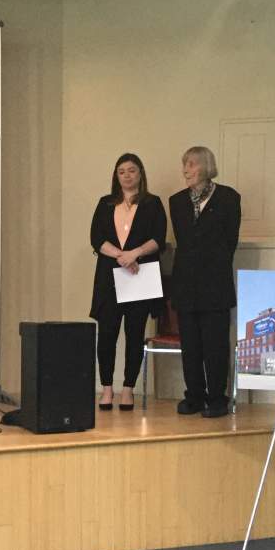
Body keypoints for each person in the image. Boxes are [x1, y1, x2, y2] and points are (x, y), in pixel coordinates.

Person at [90, 153, 167, 411]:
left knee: (135, 334)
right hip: (109, 277)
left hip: (139, 276)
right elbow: (96, 238)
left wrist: (134, 255)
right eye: (121, 171)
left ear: (140, 173)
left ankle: (128, 389)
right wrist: (122, 257)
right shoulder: (105, 203)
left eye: (131, 170)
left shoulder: (153, 203)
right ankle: (107, 388)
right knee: (107, 334)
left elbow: (158, 237)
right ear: (116, 175)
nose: (126, 175)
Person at [169, 146, 241, 418]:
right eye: (184, 165)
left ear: (206, 166)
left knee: (215, 345)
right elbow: (184, 243)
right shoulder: (176, 201)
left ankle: (217, 399)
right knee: (191, 346)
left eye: (191, 164)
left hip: (215, 284)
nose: (186, 170)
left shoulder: (228, 198)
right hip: (186, 284)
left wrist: (208, 267)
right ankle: (194, 396)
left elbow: (228, 243)